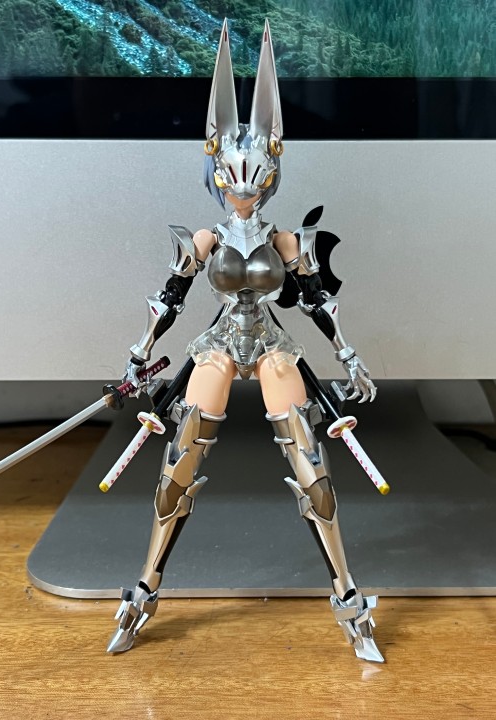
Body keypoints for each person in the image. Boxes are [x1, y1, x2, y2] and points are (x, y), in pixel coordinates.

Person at [108, 20, 383, 663]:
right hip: (217, 344)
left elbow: (317, 301)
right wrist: (138, 355)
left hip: (273, 344)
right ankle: (144, 590)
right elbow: (168, 299)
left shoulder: (286, 241)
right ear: (217, 174)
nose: (241, 192)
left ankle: (349, 600)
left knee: (311, 466)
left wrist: (349, 357)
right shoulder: (204, 239)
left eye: (253, 181)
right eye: (232, 180)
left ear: (269, 176)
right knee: (180, 459)